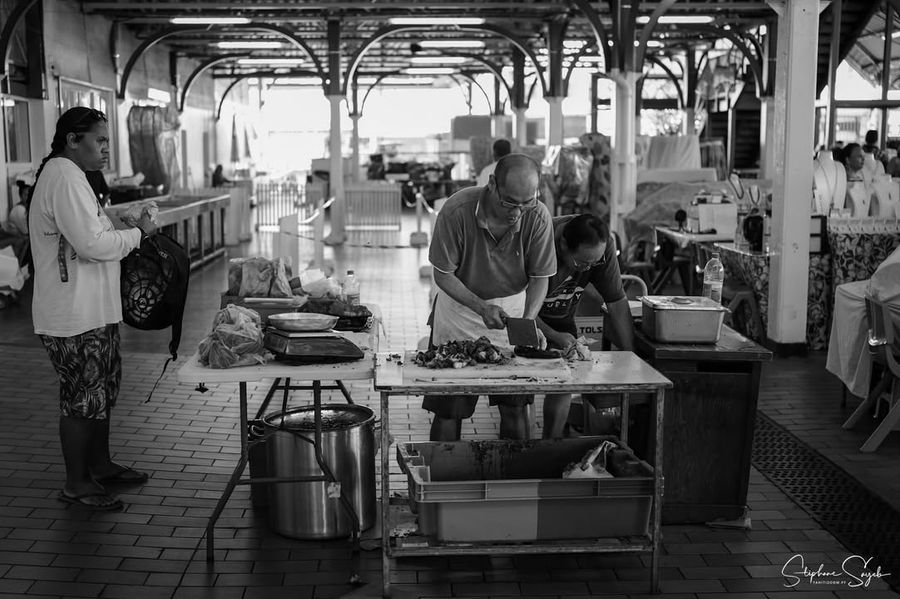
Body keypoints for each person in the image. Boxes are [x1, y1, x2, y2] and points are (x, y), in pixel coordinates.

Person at [29, 107, 158, 511]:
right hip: (73, 315)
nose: (106, 149)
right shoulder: (64, 177)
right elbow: (92, 245)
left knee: (100, 392)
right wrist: (138, 234)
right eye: (100, 140)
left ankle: (100, 465)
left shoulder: (73, 177)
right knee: (82, 398)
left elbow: (93, 233)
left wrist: (120, 224)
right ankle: (77, 482)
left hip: (92, 309)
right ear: (72, 139)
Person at [425, 153, 556, 441]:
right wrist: (482, 307)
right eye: (510, 202)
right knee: (450, 408)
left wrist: (527, 322)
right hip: (460, 311)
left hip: (513, 311)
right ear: (493, 184)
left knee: (515, 406)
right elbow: (443, 275)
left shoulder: (538, 216)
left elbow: (540, 278)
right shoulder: (457, 210)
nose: (517, 211)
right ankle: (443, 481)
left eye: (526, 202)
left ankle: (512, 479)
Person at [537, 213, 634, 438]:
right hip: (525, 316)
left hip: (562, 317)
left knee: (564, 382)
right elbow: (519, 307)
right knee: (519, 398)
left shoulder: (601, 247)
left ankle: (550, 446)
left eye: (593, 263)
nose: (586, 269)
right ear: (562, 245)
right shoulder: (539, 240)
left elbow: (617, 302)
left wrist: (631, 357)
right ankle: (522, 456)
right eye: (580, 263)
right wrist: (552, 334)